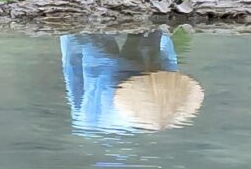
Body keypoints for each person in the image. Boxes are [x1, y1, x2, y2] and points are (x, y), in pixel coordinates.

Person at [60, 31, 206, 134]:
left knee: (87, 39)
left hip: (94, 113)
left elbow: (79, 53)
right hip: (107, 99)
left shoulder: (106, 84)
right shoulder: (169, 82)